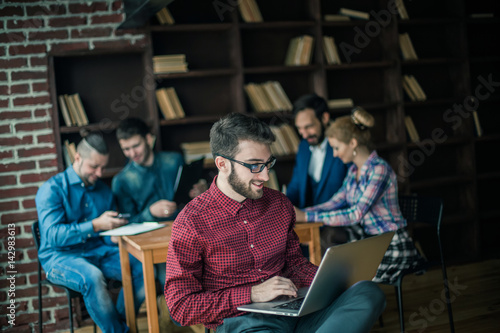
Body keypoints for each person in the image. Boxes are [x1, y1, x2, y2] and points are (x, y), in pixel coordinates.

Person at [164, 113, 386, 332]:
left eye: (268, 163)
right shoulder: (191, 222)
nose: (265, 176)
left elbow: (294, 265)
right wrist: (252, 293)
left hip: (296, 311)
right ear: (222, 164)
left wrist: (330, 282)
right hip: (244, 324)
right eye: (254, 166)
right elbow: (181, 307)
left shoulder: (279, 204)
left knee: (367, 292)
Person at [294, 107, 426, 284]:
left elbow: (356, 214)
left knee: (345, 276)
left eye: (336, 147)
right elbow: (336, 202)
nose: (334, 154)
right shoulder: (354, 171)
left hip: (389, 244)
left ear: (353, 143)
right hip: (368, 240)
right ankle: (331, 296)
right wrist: (302, 213)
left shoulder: (379, 169)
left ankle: (340, 299)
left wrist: (307, 216)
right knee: (331, 241)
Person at [35, 132, 145, 333]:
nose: (100, 173)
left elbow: (107, 236)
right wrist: (95, 225)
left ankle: (119, 327)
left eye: (103, 167)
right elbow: (53, 236)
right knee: (92, 277)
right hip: (60, 256)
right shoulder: (52, 189)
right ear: (77, 158)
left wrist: (114, 234)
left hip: (99, 250)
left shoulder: (104, 191)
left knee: (143, 268)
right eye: (94, 167)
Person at [112, 117, 206, 331]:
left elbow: (190, 197)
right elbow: (125, 224)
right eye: (126, 149)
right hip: (149, 246)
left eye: (135, 145)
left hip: (185, 234)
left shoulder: (173, 160)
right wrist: (149, 212)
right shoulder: (122, 180)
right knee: (164, 282)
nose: (132, 153)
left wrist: (199, 190)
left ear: (149, 139)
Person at [286, 93, 348, 209]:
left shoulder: (344, 145)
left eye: (309, 127)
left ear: (324, 118)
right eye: (299, 128)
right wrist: (283, 206)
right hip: (308, 221)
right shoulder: (303, 146)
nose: (304, 134)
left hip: (336, 221)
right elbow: (296, 185)